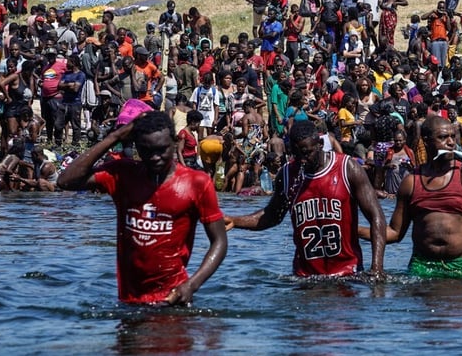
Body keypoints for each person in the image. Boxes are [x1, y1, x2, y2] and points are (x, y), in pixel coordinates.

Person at [57, 111, 227, 305]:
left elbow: (219, 241)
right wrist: (116, 136)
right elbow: (66, 181)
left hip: (172, 299)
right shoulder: (123, 175)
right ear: (137, 147)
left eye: (162, 150)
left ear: (173, 143)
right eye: (147, 151)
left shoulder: (197, 183)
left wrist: (191, 285)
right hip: (129, 301)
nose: (155, 157)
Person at [226, 120, 386, 278]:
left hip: (348, 274)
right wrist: (235, 221)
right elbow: (272, 216)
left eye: (307, 152)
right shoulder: (287, 174)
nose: (302, 159)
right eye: (297, 154)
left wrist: (377, 268)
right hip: (305, 277)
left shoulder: (347, 168)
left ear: (320, 145)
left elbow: (376, 216)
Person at [368, 116, 462, 278]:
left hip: (461, 265)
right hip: (421, 266)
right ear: (426, 141)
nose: (450, 143)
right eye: (443, 137)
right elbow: (394, 232)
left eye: (452, 137)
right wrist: (352, 230)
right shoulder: (411, 182)